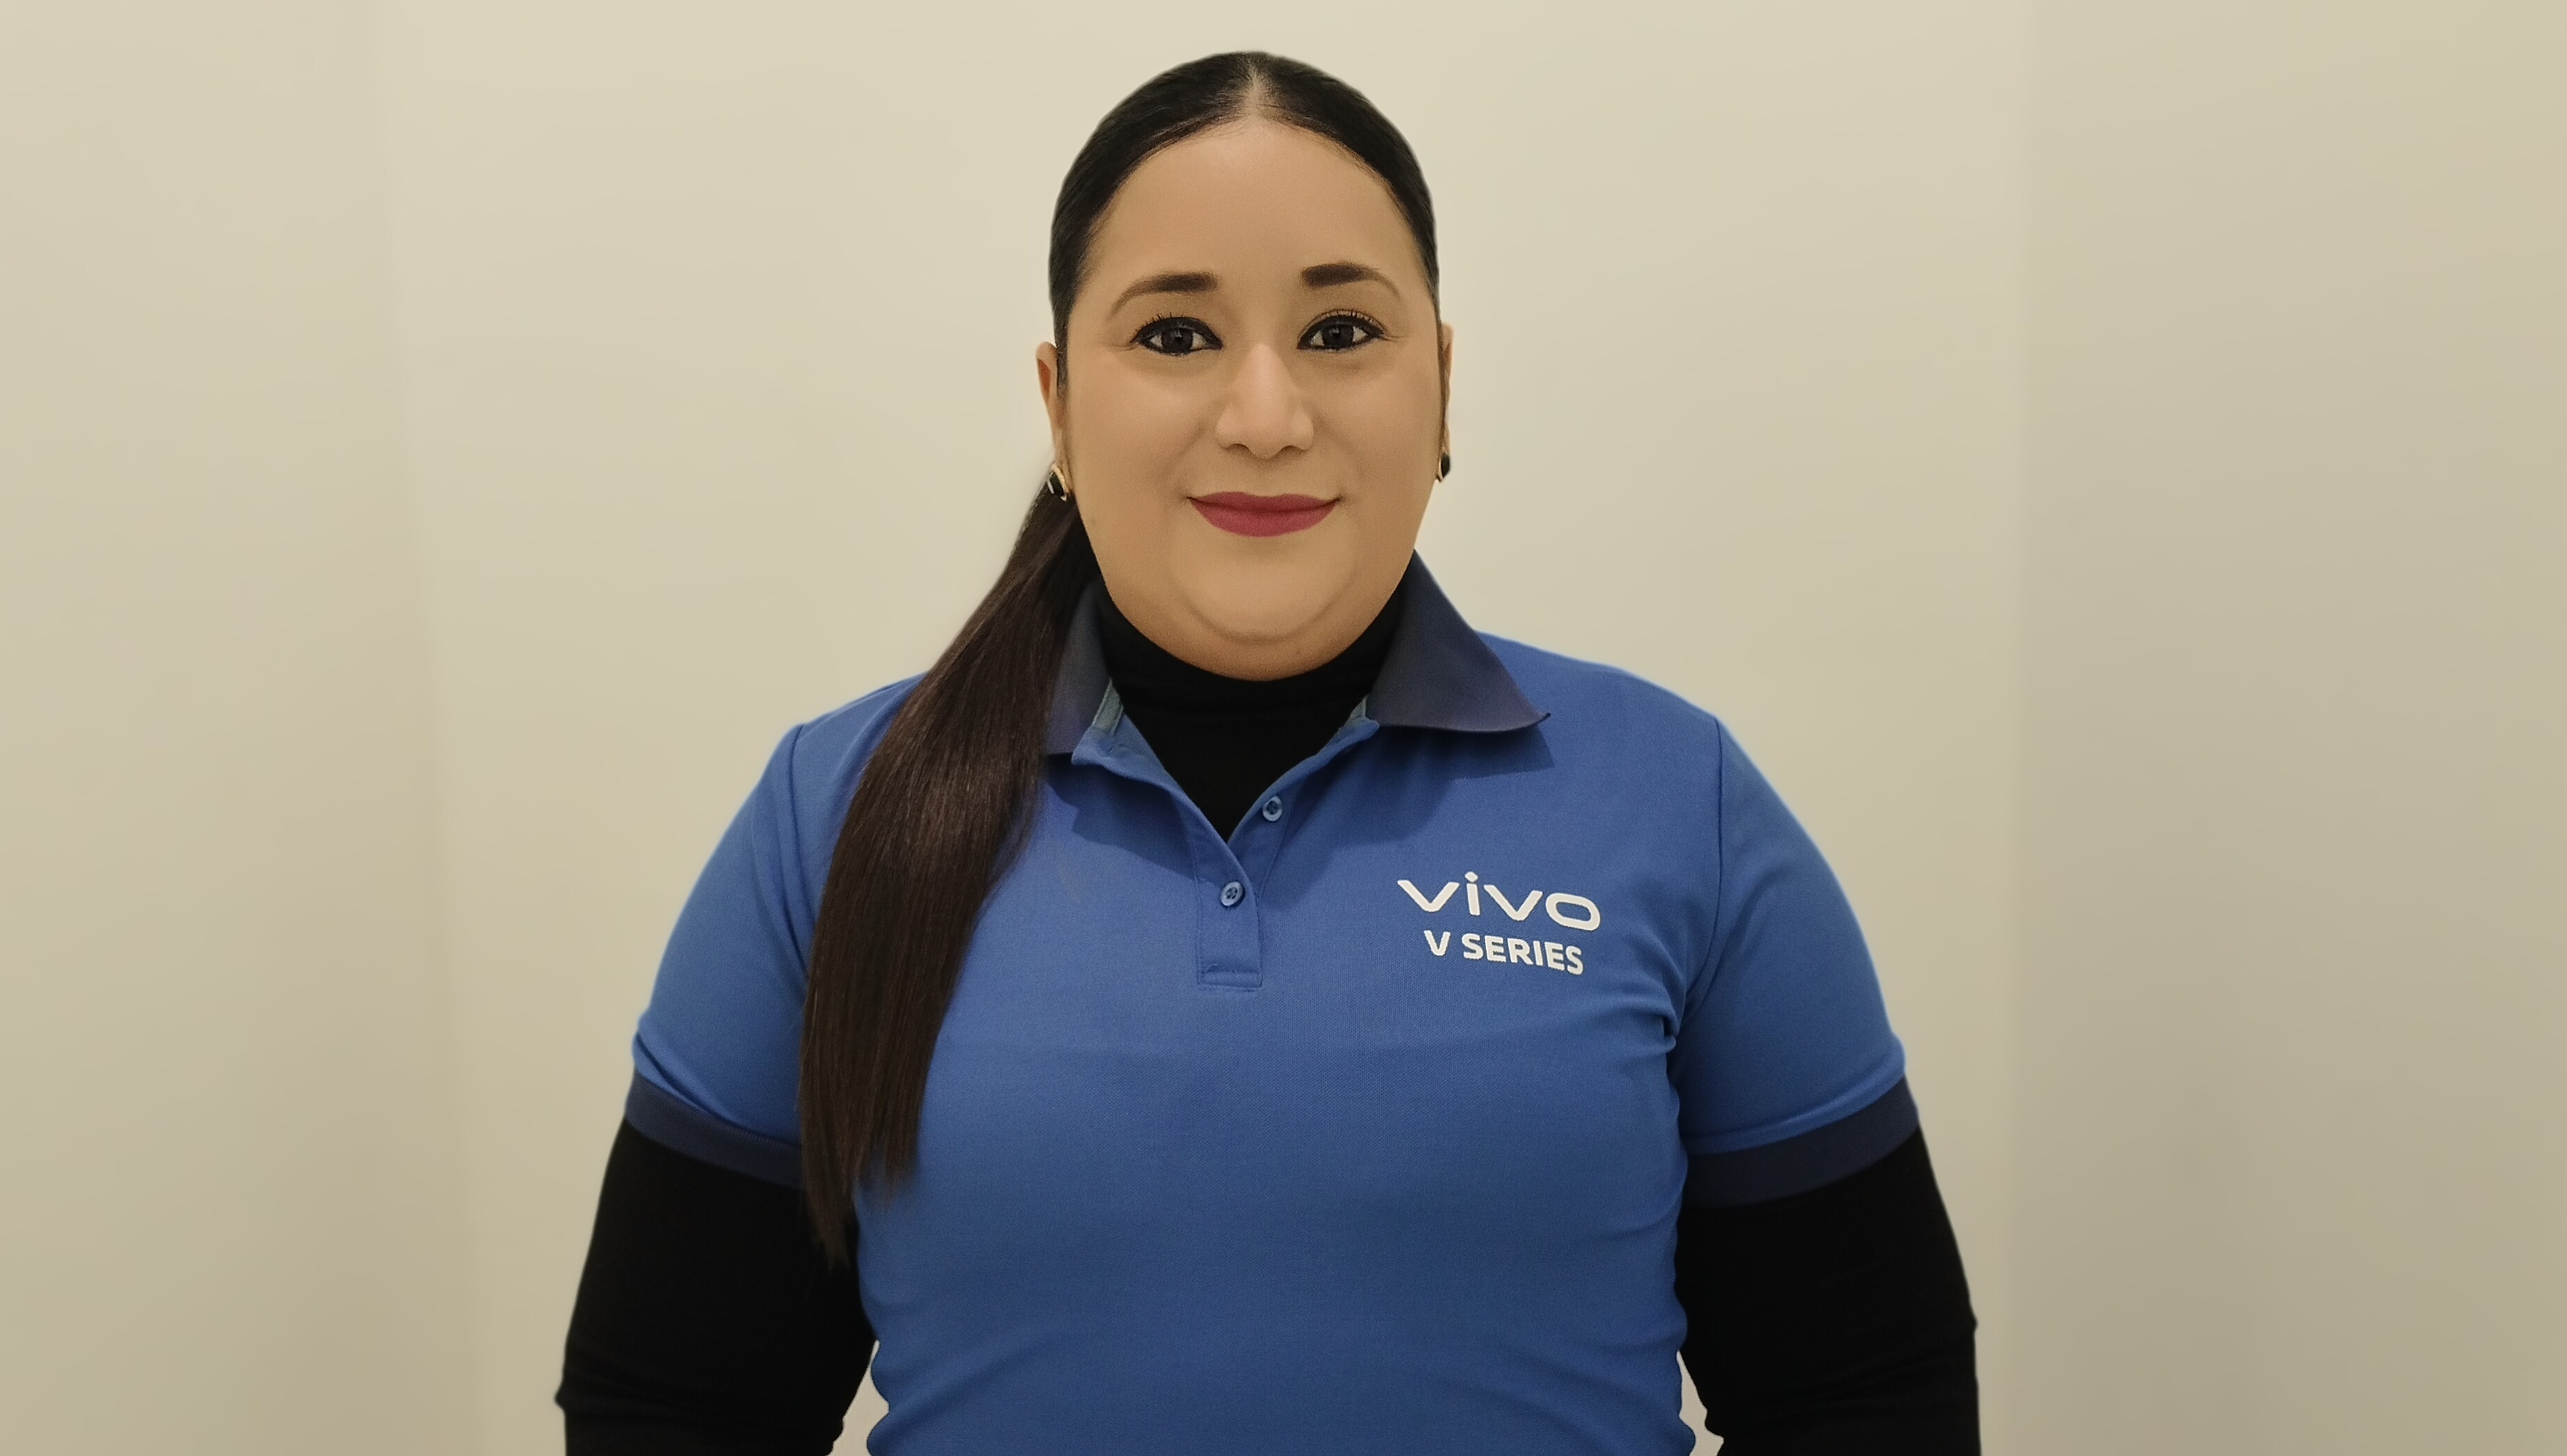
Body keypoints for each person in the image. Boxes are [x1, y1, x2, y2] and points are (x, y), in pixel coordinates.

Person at [558, 51, 1977, 1456]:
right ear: (1059, 404)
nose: (1264, 417)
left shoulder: (1676, 802)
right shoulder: (833, 818)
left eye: (1340, 331)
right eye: (1175, 336)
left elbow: (1863, 1398)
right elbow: (679, 1409)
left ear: (1442, 387)